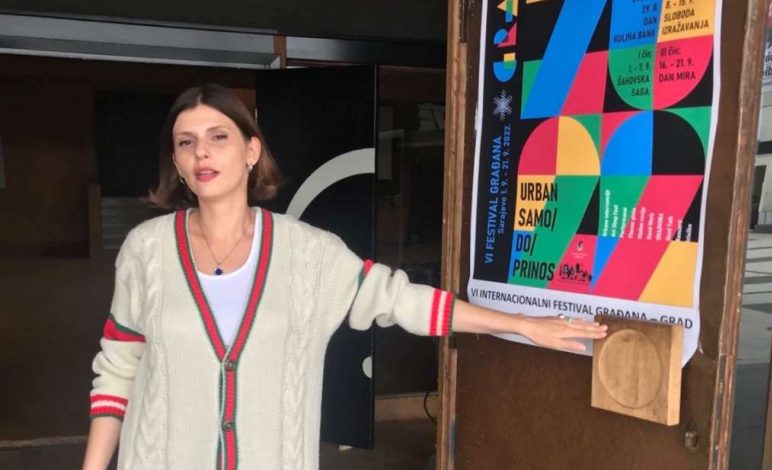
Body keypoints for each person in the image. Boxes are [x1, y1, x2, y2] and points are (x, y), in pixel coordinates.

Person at [82, 84, 607, 470]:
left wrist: (521, 324)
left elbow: (402, 301)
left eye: (218, 136)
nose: (201, 152)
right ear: (176, 163)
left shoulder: (309, 254)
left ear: (251, 151)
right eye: (186, 142)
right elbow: (118, 368)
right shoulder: (146, 251)